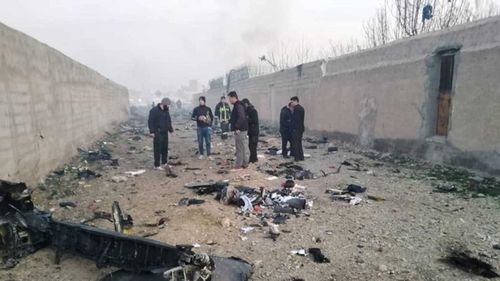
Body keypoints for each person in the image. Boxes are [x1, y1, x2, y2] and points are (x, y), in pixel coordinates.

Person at [148, 97, 174, 170]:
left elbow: (168, 121)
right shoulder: (154, 110)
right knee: (157, 149)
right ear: (163, 103)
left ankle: (164, 163)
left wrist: (171, 130)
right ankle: (157, 165)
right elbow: (150, 121)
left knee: (164, 148)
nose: (168, 106)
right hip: (157, 132)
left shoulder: (166, 111)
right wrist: (152, 132)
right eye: (167, 105)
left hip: (165, 132)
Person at [228, 91, 248, 170]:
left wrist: (237, 127)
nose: (229, 100)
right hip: (241, 129)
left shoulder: (238, 106)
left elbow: (241, 117)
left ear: (233, 97)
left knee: (240, 148)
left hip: (240, 130)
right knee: (243, 147)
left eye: (229, 98)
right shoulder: (238, 105)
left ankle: (239, 165)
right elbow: (236, 117)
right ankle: (244, 163)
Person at [241, 98, 259, 163]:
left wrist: (247, 119)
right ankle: (251, 158)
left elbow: (254, 121)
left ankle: (254, 159)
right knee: (249, 146)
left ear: (246, 104)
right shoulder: (246, 111)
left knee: (253, 146)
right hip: (249, 132)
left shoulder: (253, 111)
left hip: (254, 132)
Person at [290, 96, 305, 161]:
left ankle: (297, 158)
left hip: (296, 129)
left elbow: (295, 119)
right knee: (299, 143)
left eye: (292, 102)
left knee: (295, 143)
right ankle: (301, 157)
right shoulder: (301, 108)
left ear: (296, 101)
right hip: (300, 128)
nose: (291, 103)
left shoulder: (296, 109)